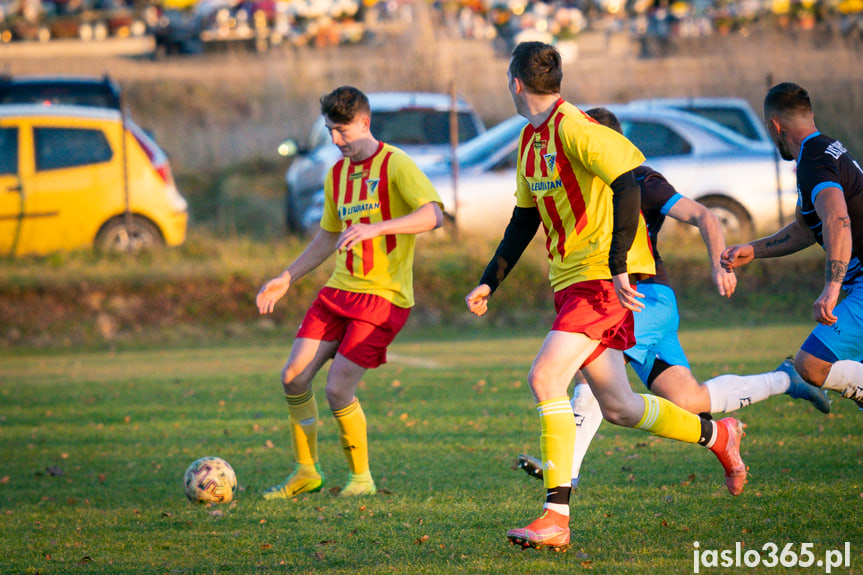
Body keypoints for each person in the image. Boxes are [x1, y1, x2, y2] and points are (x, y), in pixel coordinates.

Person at [464, 42, 747, 552]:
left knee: (545, 376)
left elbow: (627, 183)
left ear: (514, 83)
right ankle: (719, 436)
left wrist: (619, 264)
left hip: (600, 280)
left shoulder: (576, 127)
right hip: (571, 282)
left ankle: (555, 518)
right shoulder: (531, 142)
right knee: (617, 405)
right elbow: (524, 219)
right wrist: (491, 279)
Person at [515, 107, 830, 489]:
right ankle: (785, 380)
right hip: (623, 299)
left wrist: (719, 264)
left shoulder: (640, 181)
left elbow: (705, 216)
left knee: (586, 363)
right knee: (689, 400)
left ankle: (566, 473)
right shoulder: (582, 182)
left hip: (645, 297)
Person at [256, 86, 444, 499]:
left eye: (343, 131)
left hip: (384, 296)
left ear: (365, 123)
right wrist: (287, 276)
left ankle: (361, 478)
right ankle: (306, 472)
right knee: (292, 377)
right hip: (339, 291)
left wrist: (378, 227)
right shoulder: (336, 174)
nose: (337, 141)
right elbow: (328, 237)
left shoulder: (396, 164)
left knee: (338, 388)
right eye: (330, 132)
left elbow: (434, 215)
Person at [722, 82, 863, 409]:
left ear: (774, 126)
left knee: (811, 365)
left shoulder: (814, 162)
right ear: (810, 115)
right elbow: (806, 227)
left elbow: (837, 220)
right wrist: (754, 249)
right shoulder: (826, 149)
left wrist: (832, 286)